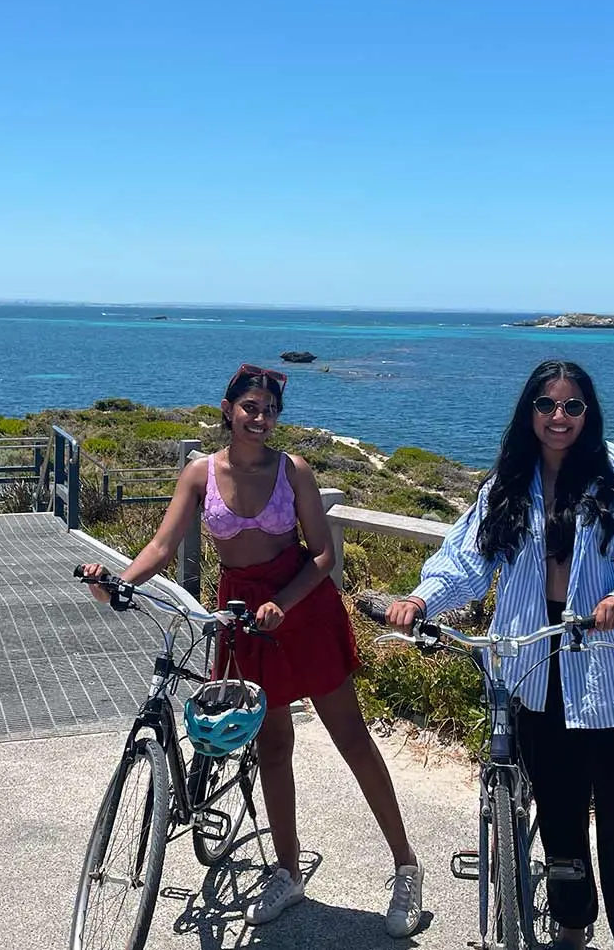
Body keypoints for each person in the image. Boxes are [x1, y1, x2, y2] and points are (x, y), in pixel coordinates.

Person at [83, 364, 425, 935]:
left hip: (301, 608)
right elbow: (163, 545)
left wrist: (284, 604)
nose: (260, 419)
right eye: (251, 408)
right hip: (242, 614)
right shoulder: (199, 474)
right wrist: (122, 580)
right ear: (228, 409)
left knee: (352, 739)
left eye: (269, 410)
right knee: (272, 748)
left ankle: (406, 866)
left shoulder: (295, 471)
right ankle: (287, 872)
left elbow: (322, 556)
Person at [387, 360, 614, 950]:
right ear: (529, 410)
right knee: (558, 816)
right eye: (547, 405)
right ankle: (572, 925)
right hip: (534, 664)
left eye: (572, 406)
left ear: (589, 412)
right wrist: (420, 599)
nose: (559, 417)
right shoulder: (508, 481)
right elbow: (467, 561)